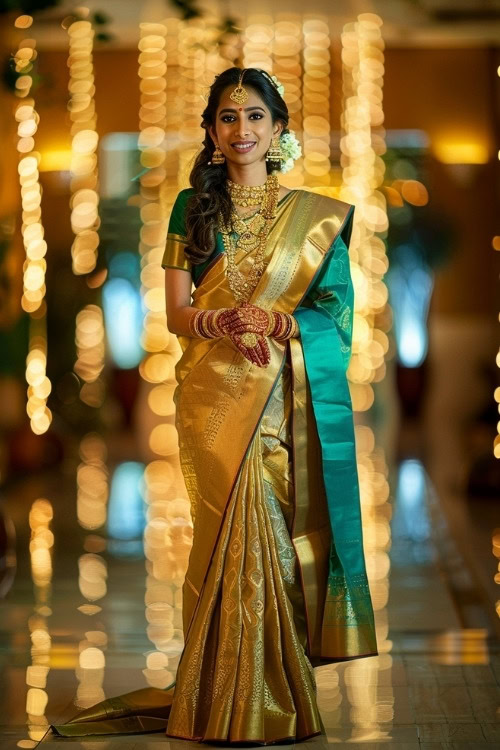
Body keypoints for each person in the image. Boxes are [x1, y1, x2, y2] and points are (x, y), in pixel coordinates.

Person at [51, 66, 377, 745]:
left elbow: (335, 316)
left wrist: (278, 326)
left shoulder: (316, 219)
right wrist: (224, 323)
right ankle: (216, 693)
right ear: (211, 131)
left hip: (279, 396)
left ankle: (272, 694)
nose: (242, 129)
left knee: (275, 543)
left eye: (255, 116)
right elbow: (175, 313)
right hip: (211, 395)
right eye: (228, 117)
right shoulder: (189, 209)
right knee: (220, 539)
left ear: (279, 128)